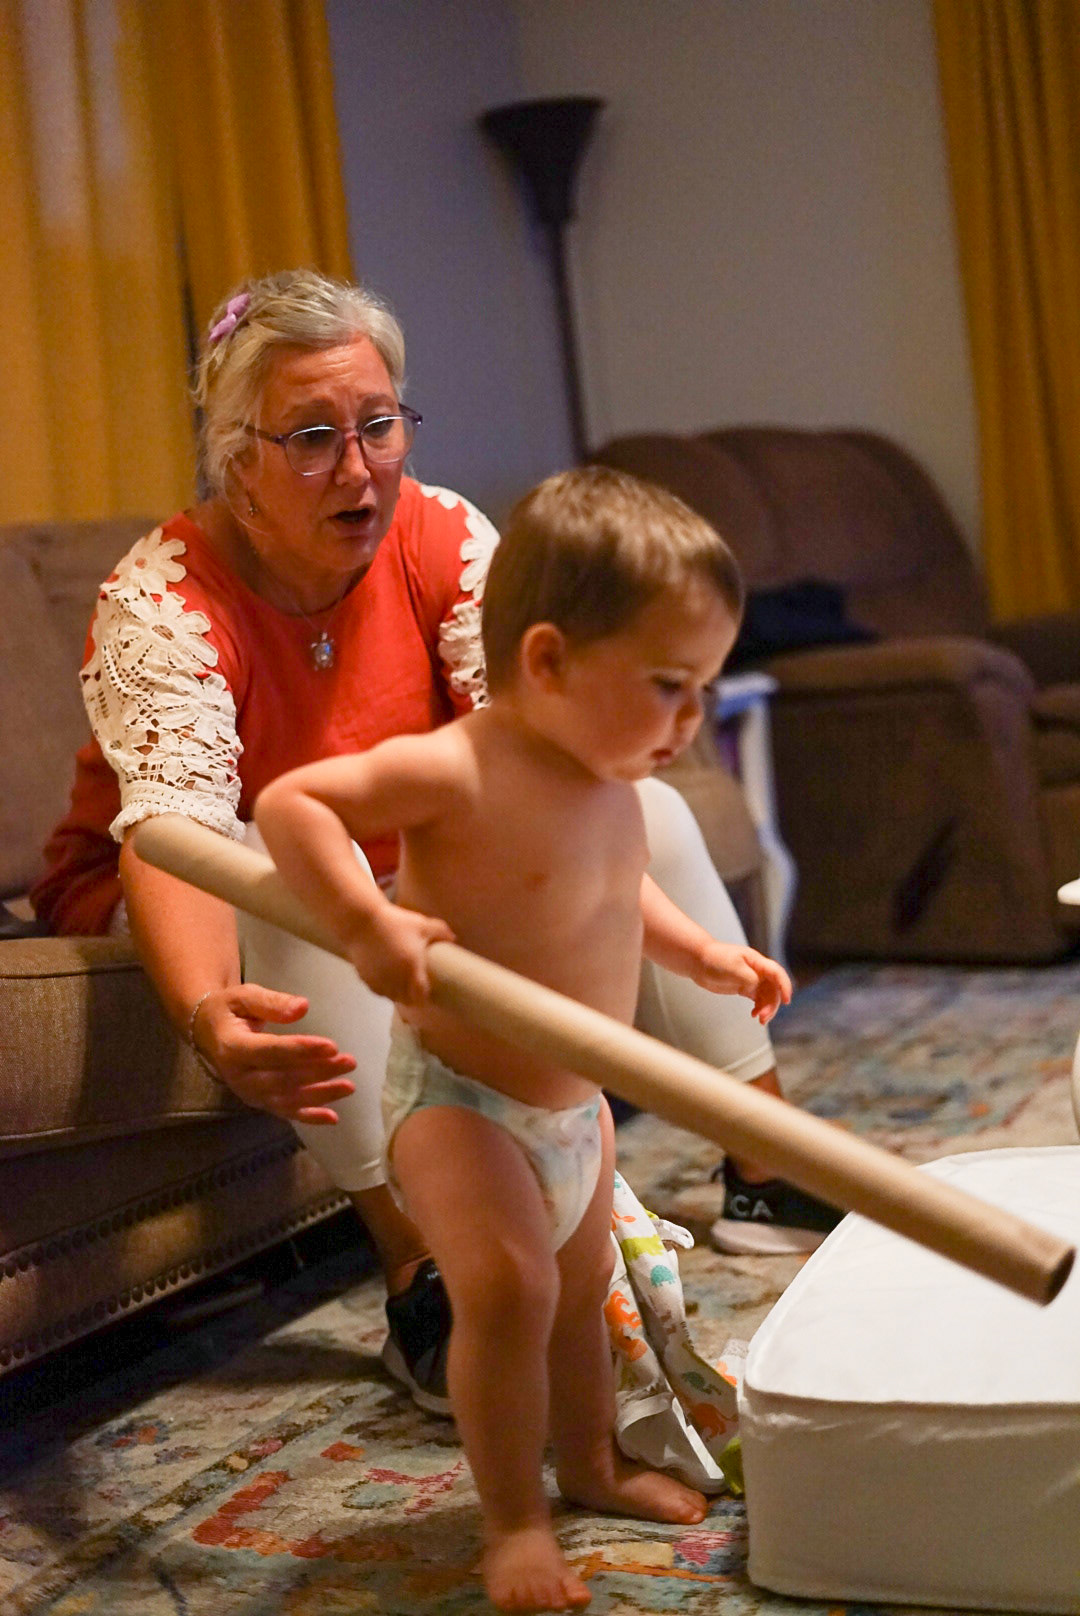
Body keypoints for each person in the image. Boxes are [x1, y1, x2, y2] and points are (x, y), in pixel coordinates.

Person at [31, 268, 837, 1417]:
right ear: (237, 458)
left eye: (378, 423)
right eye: (313, 436)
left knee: (644, 806)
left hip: (409, 859)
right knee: (290, 861)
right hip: (224, 880)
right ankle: (425, 1273)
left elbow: (551, 760)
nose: (359, 466)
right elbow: (177, 836)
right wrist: (206, 1011)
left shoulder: (446, 533)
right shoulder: (160, 598)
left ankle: (770, 1163)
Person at [254, 466, 791, 1611]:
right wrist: (366, 921)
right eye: (668, 684)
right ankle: (513, 1522)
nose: (690, 719)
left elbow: (616, 888)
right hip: (462, 1101)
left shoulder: (611, 779)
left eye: (703, 687)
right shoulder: (455, 766)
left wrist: (700, 952)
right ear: (546, 660)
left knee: (583, 1289)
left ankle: (591, 1463)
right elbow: (291, 804)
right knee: (508, 1290)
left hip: (574, 1108)